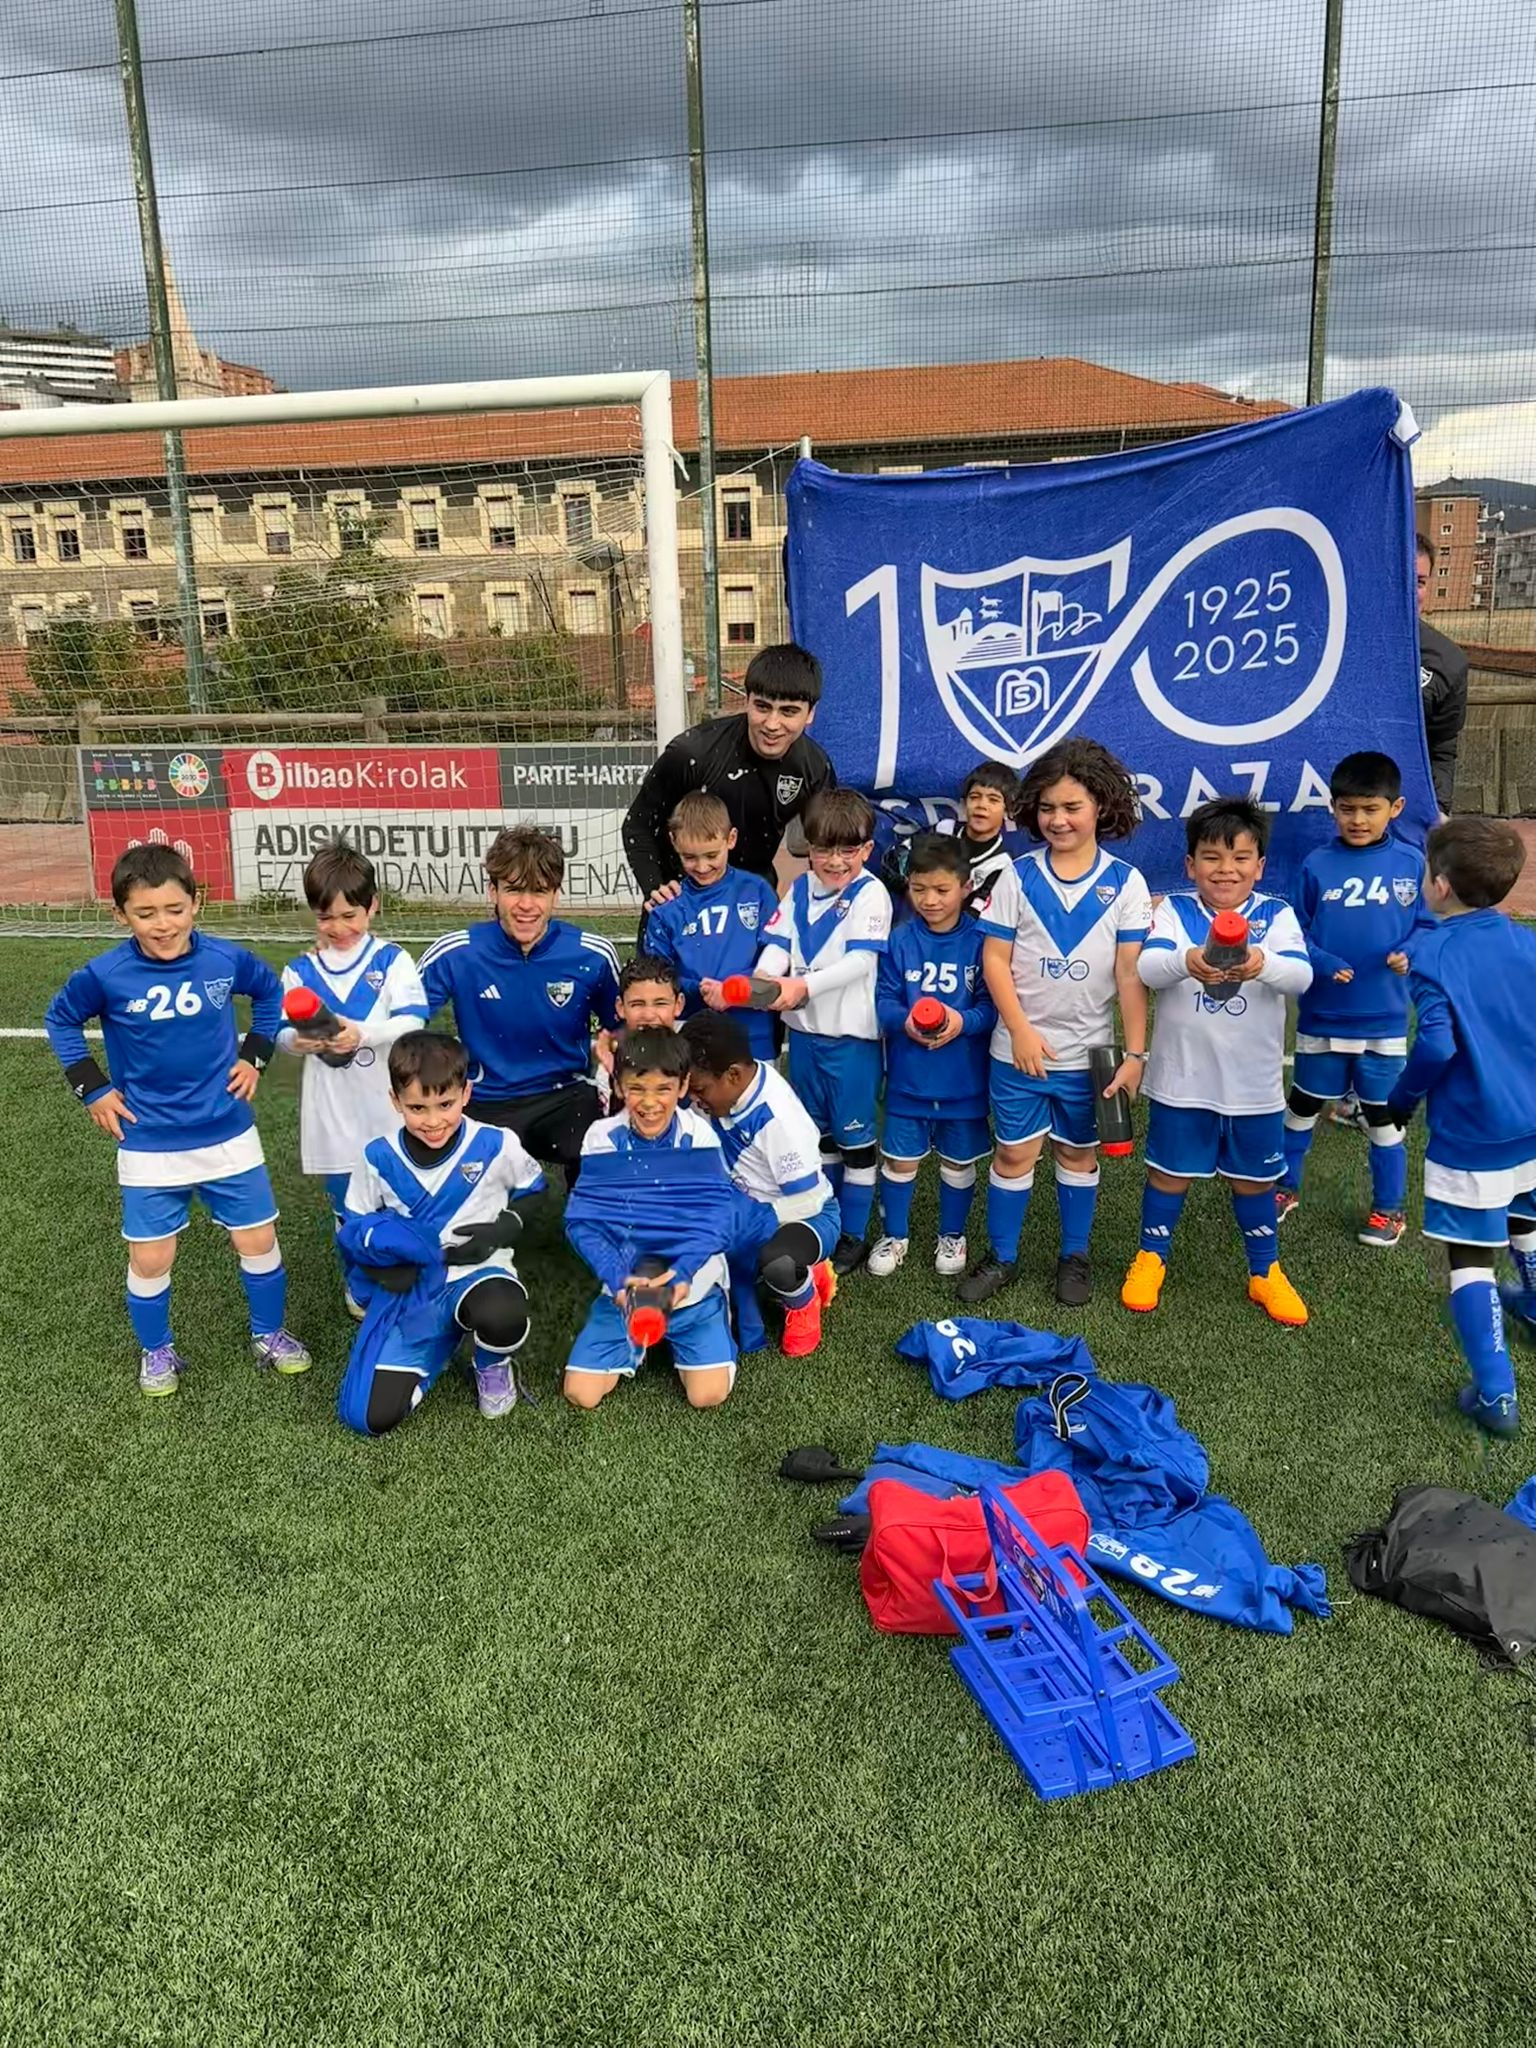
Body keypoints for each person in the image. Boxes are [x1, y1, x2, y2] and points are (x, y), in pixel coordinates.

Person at [43, 841, 310, 1397]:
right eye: (145, 913)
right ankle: (156, 1349)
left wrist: (255, 1056)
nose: (162, 924)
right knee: (150, 1255)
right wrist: (93, 1089)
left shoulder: (223, 960)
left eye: (174, 909)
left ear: (195, 904)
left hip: (227, 1132)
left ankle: (268, 1333)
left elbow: (269, 994)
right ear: (120, 914)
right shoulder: (106, 974)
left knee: (258, 1240)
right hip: (148, 1140)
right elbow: (61, 1019)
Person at [963, 738, 1151, 1307]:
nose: (1058, 819)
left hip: (1088, 1058)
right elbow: (994, 960)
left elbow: (1129, 976)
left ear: (1101, 806)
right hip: (1018, 1052)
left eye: (1072, 807)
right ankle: (1002, 1257)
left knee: (1077, 1154)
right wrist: (1020, 1029)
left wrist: (1135, 1056)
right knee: (1013, 1155)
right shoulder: (1017, 877)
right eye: (1047, 808)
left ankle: (1074, 1256)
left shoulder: (1127, 883)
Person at [1120, 797, 1313, 1326]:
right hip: (1183, 1079)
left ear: (1260, 865)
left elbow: (1300, 976)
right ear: (1190, 865)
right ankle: (1151, 1258)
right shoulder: (1176, 912)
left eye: (1240, 858)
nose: (1226, 869)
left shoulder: (1275, 915)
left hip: (1253, 1086)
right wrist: (1188, 960)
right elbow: (1149, 969)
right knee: (1168, 1174)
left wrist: (1260, 962)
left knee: (1254, 1181)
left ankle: (1264, 1272)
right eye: (1211, 857)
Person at [1385, 818, 1536, 1437]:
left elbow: (1436, 1046)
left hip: (1473, 1130)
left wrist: (1401, 1099)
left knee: (1470, 1254)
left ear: (1440, 885)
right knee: (1525, 1210)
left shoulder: (1432, 954)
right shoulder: (1525, 940)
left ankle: (1496, 1392)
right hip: (1531, 1118)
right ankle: (1533, 1303)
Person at [336, 1031, 545, 1431]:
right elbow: (354, 1227)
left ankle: (492, 1364)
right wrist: (380, 1271)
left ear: (466, 1093)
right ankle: (437, 1343)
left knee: (502, 1315)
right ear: (395, 1101)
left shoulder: (496, 1144)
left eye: (445, 1104)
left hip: (479, 1272)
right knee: (371, 1418)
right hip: (415, 1286)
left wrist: (502, 1229)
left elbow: (534, 1190)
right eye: (417, 1107)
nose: (433, 1121)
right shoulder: (378, 1156)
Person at [1276, 753, 1432, 1248]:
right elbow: (1294, 931)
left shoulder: (1412, 863)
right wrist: (1321, 960)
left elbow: (1428, 925)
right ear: (1333, 808)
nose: (1358, 820)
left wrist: (1410, 951)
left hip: (1383, 1021)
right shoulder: (1316, 864)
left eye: (1370, 809)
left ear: (1395, 808)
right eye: (1347, 809)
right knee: (1302, 1106)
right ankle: (1284, 1187)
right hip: (1322, 1015)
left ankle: (1389, 1209)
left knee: (1383, 1119)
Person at [418, 825, 620, 1183]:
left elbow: (623, 1027)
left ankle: (590, 1212)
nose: (526, 905)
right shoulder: (458, 952)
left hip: (564, 1097)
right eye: (513, 890)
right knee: (463, 1191)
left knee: (603, 1142)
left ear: (556, 895)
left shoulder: (593, 955)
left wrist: (611, 1052)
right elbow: (402, 1019)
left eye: (539, 891)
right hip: (484, 1099)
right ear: (493, 891)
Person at [277, 842, 429, 1308]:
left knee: (398, 1196)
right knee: (349, 1206)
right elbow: (282, 1034)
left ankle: (405, 1273)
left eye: (350, 915)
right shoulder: (300, 970)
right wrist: (301, 1042)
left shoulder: (391, 961)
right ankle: (359, 1283)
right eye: (327, 917)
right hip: (332, 1112)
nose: (339, 928)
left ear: (372, 906)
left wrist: (363, 1033)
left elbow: (413, 1021)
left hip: (386, 1107)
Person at [753, 787, 892, 1273]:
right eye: (823, 849)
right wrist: (765, 979)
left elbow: (860, 962)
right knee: (819, 1138)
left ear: (866, 849)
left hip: (851, 1043)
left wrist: (801, 986)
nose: (834, 861)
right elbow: (777, 944)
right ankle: (824, 1222)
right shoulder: (799, 889)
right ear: (807, 848)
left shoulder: (871, 893)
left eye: (847, 850)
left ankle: (854, 1232)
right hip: (805, 1040)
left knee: (856, 1143)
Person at [563, 1030, 739, 1409]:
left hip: (690, 1284)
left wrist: (683, 1272)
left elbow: (717, 1219)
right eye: (637, 1088)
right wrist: (617, 1278)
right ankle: (633, 1327)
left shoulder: (699, 1136)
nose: (649, 1102)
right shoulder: (602, 1137)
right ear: (619, 1086)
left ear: (683, 1086)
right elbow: (582, 1222)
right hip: (627, 1285)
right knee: (581, 1394)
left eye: (663, 1089)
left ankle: (708, 1310)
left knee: (707, 1395)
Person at [867, 834, 995, 1279]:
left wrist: (962, 1022)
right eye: (919, 889)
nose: (930, 900)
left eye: (942, 889)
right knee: (900, 1160)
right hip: (909, 1078)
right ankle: (895, 1235)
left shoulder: (981, 940)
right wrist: (904, 1022)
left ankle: (952, 1234)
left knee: (958, 1161)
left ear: (966, 886)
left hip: (963, 1081)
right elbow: (883, 1000)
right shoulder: (900, 940)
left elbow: (991, 1006)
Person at [621, 643, 835, 907]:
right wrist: (656, 887)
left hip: (751, 902)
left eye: (788, 711)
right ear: (746, 701)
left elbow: (829, 844)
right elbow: (638, 824)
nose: (772, 724)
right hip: (681, 903)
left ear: (811, 713)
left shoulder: (815, 767)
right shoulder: (693, 752)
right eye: (762, 707)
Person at [682, 1011, 841, 1356]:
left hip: (808, 1215)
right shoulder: (728, 1090)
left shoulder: (777, 1119)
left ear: (733, 1075)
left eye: (699, 1090)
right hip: (744, 1205)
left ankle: (805, 1300)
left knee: (777, 1261)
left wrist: (746, 1221)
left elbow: (808, 1199)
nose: (694, 1099)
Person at [641, 791, 781, 1058]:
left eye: (711, 855)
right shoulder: (667, 907)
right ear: (673, 841)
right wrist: (700, 989)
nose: (702, 866)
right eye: (690, 857)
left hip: (752, 1033)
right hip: (688, 1032)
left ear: (731, 839)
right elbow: (658, 976)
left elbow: (778, 954)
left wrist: (735, 990)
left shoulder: (757, 891)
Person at [881, 765, 1022, 914]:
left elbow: (976, 914)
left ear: (1008, 810)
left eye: (993, 800)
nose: (981, 805)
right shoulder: (944, 830)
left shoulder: (1002, 865)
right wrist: (914, 891)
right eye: (974, 797)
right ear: (964, 803)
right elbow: (894, 860)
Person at [1415, 532, 1469, 815]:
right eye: (1401, 578)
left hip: (1405, 805)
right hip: (1340, 802)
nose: (1411, 590)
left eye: (1420, 581)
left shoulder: (1448, 661)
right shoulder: (1339, 644)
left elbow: (1442, 748)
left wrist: (1439, 809)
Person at [594, 953, 685, 1108]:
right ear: (621, 1007)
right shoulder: (610, 1061)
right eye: (637, 1004)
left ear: (678, 1004)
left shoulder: (696, 1047)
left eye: (660, 1003)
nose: (649, 1015)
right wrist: (616, 1074)